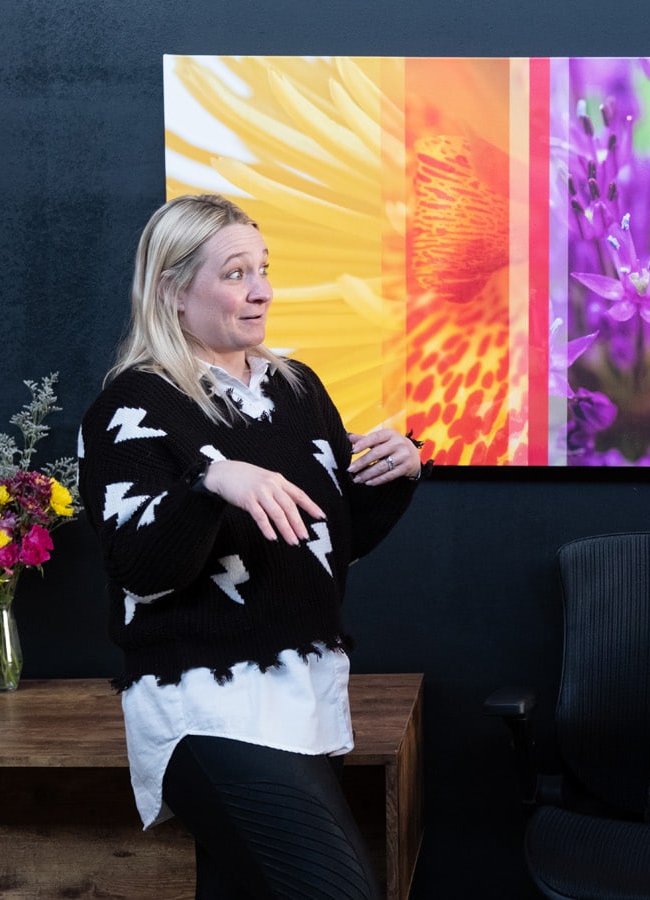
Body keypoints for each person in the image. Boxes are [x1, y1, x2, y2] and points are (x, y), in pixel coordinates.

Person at [78, 193, 427, 900]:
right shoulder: (131, 408)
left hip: (306, 693)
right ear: (174, 291)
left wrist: (394, 476)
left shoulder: (297, 389)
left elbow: (328, 544)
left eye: (263, 269)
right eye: (236, 273)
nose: (262, 290)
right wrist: (211, 482)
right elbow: (140, 570)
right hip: (206, 704)